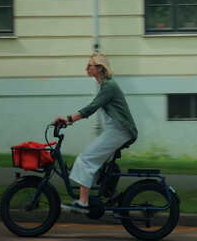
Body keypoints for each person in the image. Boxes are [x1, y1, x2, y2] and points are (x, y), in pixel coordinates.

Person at [52, 53, 138, 213]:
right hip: (117, 130)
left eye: (90, 65)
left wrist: (68, 119)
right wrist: (69, 121)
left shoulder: (109, 86)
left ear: (99, 68)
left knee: (86, 159)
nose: (86, 68)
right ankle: (106, 194)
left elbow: (92, 107)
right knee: (97, 163)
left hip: (120, 130)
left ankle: (83, 202)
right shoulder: (106, 85)